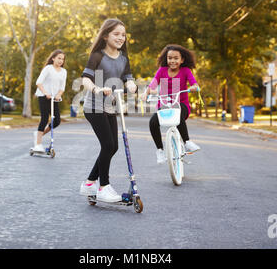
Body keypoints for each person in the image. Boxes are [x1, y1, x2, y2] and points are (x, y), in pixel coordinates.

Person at [78, 18, 137, 203]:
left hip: (110, 106)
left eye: (123, 35)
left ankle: (89, 183)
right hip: (93, 106)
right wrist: (96, 89)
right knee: (108, 145)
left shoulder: (123, 58)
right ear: (105, 36)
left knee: (113, 146)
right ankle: (103, 186)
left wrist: (132, 84)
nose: (121, 38)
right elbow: (85, 79)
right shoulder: (97, 56)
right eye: (116, 34)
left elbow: (128, 78)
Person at [140, 44, 201, 164]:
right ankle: (160, 150)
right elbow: (153, 83)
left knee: (177, 112)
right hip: (164, 106)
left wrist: (194, 87)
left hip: (181, 105)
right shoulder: (162, 71)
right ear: (166, 59)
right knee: (153, 122)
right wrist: (145, 92)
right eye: (170, 58)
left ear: (182, 60)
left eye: (176, 58)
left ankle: (187, 142)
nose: (172, 61)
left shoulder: (185, 71)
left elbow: (194, 83)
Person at [33, 49, 67, 152]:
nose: (61, 61)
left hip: (54, 98)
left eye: (62, 59)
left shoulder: (64, 71)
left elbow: (62, 87)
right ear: (53, 58)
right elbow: (39, 82)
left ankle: (39, 135)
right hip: (44, 96)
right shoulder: (48, 68)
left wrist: (58, 95)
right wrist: (45, 93)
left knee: (56, 121)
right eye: (59, 58)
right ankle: (38, 145)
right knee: (44, 118)